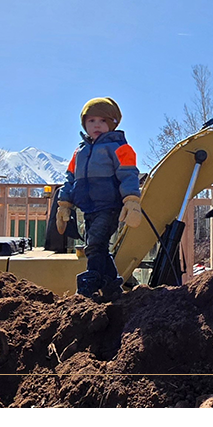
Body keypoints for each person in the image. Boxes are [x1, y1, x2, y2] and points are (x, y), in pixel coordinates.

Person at [56, 97, 142, 299]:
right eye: (91, 120)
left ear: (112, 124)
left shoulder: (120, 147)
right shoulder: (79, 152)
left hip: (109, 207)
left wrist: (131, 200)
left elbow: (129, 174)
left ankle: (90, 284)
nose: (97, 125)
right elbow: (70, 179)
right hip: (88, 208)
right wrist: (64, 204)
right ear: (84, 124)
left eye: (103, 121)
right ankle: (112, 286)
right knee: (99, 247)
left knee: (94, 245)